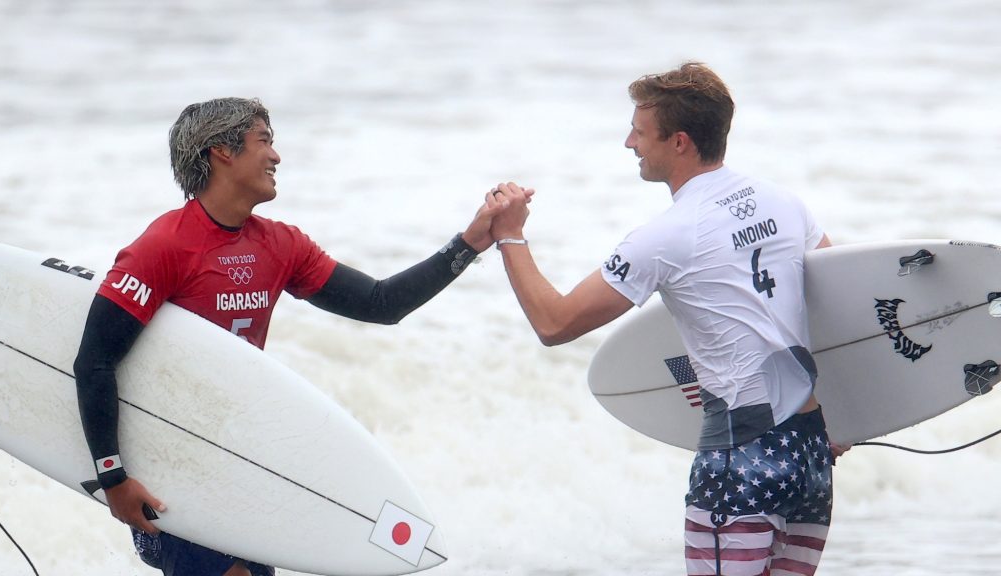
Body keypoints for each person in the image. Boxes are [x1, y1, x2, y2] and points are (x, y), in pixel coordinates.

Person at [72, 97, 521, 576]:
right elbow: (95, 361)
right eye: (263, 141)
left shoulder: (280, 245)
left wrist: (470, 243)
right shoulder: (164, 247)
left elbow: (381, 304)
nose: (276, 157)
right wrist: (112, 477)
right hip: (174, 459)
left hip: (247, 455)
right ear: (222, 151)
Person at [489, 63, 840, 576]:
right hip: (810, 453)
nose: (629, 142)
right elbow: (842, 304)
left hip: (740, 462)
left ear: (679, 142)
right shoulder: (785, 204)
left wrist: (510, 234)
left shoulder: (668, 235)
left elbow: (554, 322)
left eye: (639, 131)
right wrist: (853, 414)